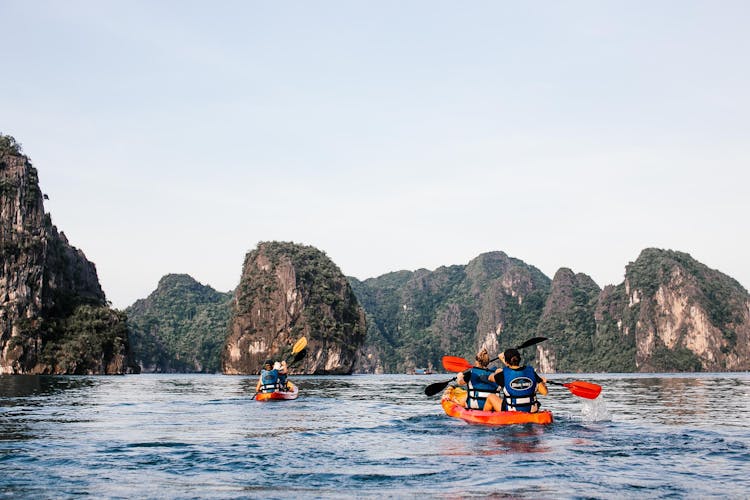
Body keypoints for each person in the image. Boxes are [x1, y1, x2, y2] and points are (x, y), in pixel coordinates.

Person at [484, 348, 548, 412]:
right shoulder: (531, 372)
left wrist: (498, 371)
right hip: (531, 411)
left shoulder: (502, 375)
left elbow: (490, 378)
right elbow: (544, 392)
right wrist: (542, 382)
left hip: (511, 411)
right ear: (519, 359)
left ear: (506, 362)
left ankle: (485, 417)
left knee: (491, 397)